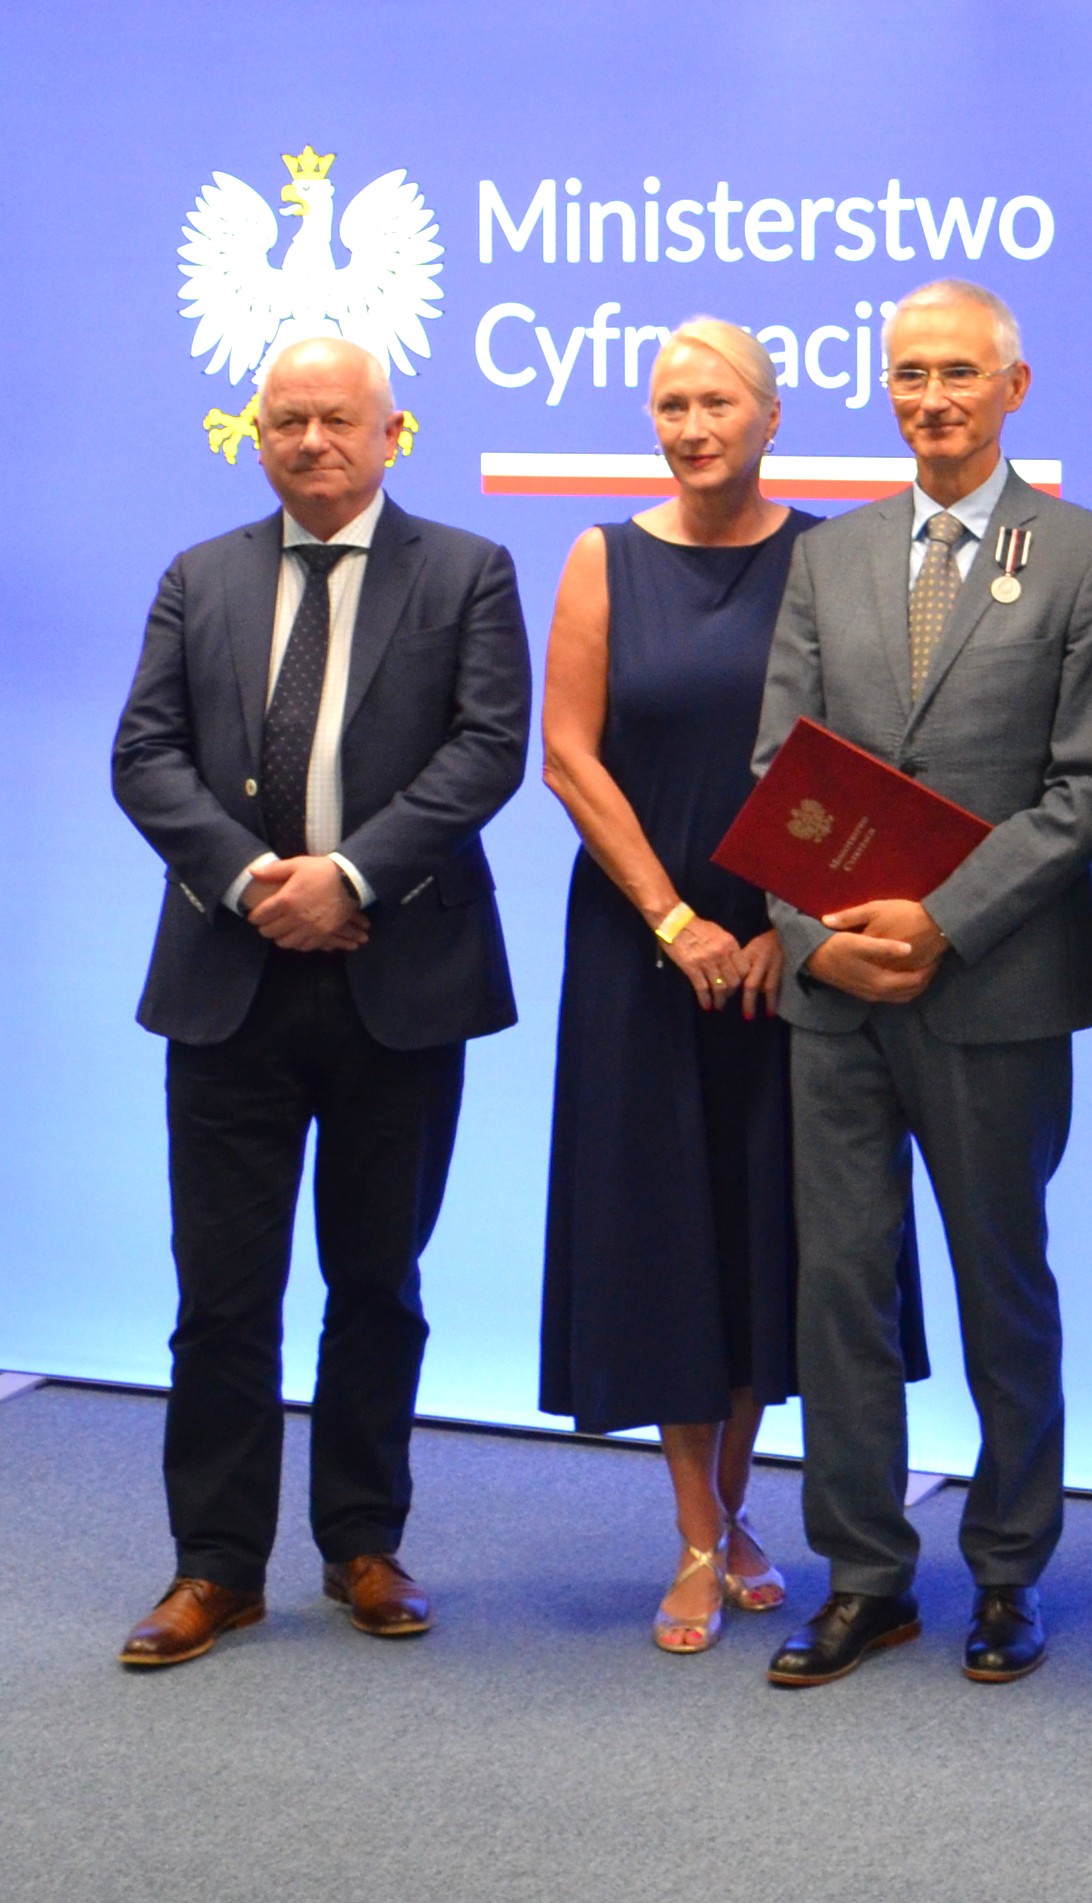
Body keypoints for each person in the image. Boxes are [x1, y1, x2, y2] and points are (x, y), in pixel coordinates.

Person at [110, 335, 531, 1666]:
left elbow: (487, 751)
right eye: (286, 419)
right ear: (257, 436)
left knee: (378, 1282)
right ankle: (215, 1566)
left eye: (338, 419)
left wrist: (349, 878)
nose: (311, 441)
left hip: (397, 984)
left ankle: (362, 1542)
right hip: (227, 987)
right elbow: (145, 755)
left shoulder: (467, 571)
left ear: (391, 432)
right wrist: (257, 886)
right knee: (221, 1295)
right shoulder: (200, 577)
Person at [750, 280, 1092, 1692]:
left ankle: (1009, 1572)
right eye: (910, 373)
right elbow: (779, 772)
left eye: (960, 373)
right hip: (836, 999)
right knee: (841, 1290)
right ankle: (864, 1577)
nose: (933, 398)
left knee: (1000, 1286)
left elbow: (1088, 787)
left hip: (995, 990)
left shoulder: (1088, 556)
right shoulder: (829, 556)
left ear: (1014, 388)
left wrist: (942, 922)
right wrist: (811, 938)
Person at [538, 317, 928, 1654]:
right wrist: (675, 920)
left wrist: (780, 927)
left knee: (764, 1237)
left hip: (785, 957)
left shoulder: (831, 559)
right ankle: (698, 1533)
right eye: (671, 405)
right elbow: (570, 757)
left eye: (717, 402)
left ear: (771, 415)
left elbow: (856, 759)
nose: (693, 427)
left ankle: (737, 1503)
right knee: (662, 1235)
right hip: (640, 952)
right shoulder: (602, 558)